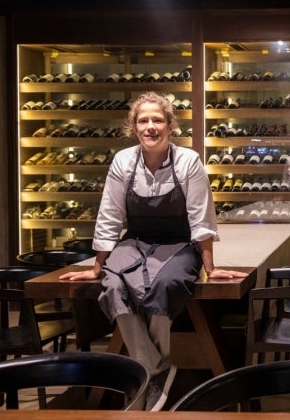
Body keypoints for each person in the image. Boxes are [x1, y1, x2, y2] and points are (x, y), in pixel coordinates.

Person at [59, 91, 247, 411]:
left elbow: (201, 217)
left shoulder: (188, 161)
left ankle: (142, 372)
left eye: (157, 120)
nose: (150, 127)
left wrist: (210, 267)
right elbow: (110, 214)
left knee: (167, 283)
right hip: (135, 242)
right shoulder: (124, 161)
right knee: (113, 284)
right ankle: (155, 367)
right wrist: (97, 266)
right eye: (143, 120)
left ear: (170, 125)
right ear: (133, 127)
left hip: (179, 243)